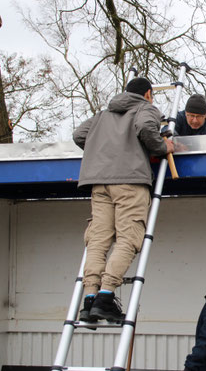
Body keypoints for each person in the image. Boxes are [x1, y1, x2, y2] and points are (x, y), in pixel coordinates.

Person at [73, 77, 174, 322]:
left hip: (99, 183)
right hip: (129, 182)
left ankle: (89, 299)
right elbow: (146, 129)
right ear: (148, 94)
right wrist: (163, 146)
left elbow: (79, 135)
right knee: (128, 238)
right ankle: (105, 297)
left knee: (98, 240)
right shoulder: (145, 108)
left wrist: (106, 151)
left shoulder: (102, 115)